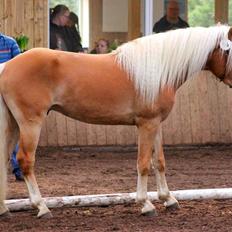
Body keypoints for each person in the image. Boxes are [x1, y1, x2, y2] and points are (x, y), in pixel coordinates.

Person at [0, 33, 23, 181]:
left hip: (8, 92)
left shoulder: (9, 43)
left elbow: (21, 68)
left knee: (13, 131)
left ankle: (18, 168)